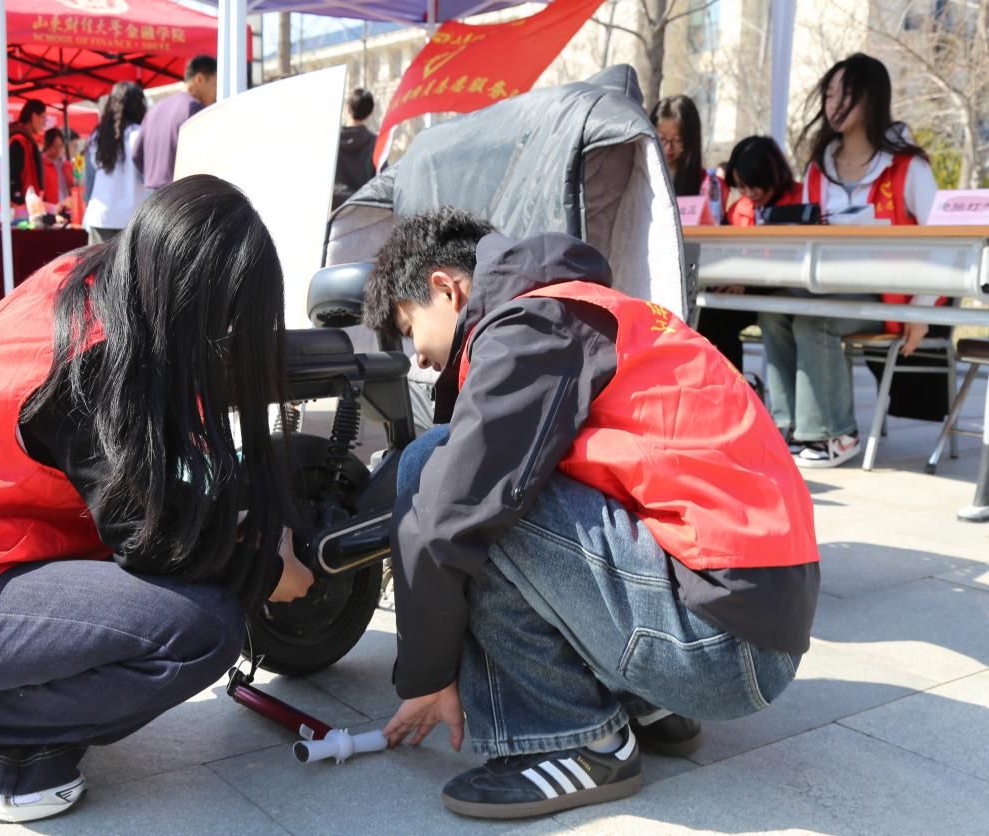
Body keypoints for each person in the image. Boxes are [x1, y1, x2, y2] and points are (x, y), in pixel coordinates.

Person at [0, 174, 313, 824]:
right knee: (200, 629)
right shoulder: (95, 361)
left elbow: (145, 490)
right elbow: (147, 539)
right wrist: (265, 571)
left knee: (186, 598)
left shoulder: (90, 279)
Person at [364, 209, 817, 820]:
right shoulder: (586, 312)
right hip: (745, 627)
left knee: (436, 469)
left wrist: (427, 676)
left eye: (408, 326)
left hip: (719, 646)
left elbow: (449, 519)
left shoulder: (532, 326)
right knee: (488, 474)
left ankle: (576, 739)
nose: (418, 358)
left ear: (447, 288)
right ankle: (647, 704)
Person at [759, 53, 939, 467]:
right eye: (829, 94)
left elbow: (940, 240)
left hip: (888, 297)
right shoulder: (818, 169)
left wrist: (922, 310)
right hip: (826, 287)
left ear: (873, 98)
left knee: (814, 319)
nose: (834, 104)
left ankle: (835, 435)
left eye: (847, 94)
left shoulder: (908, 167)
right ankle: (787, 427)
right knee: (774, 311)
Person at [697, 136, 803, 372]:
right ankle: (731, 384)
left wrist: (746, 282)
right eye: (741, 187)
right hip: (743, 289)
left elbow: (793, 260)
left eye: (754, 185)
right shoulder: (739, 209)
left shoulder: (803, 201)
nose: (748, 193)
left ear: (772, 175)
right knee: (707, 318)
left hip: (784, 288)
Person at [137, 55, 216, 191]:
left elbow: (136, 154)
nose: (216, 93)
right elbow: (205, 158)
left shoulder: (154, 110)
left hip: (152, 194)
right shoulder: (195, 109)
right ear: (200, 79)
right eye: (215, 84)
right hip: (181, 193)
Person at [83, 82, 147, 243]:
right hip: (133, 217)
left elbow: (89, 179)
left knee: (98, 260)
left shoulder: (97, 136)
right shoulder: (140, 135)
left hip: (100, 216)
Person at [650, 95, 725, 223]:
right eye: (661, 139)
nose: (668, 147)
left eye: (677, 140)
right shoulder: (641, 176)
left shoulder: (706, 184)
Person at [332, 88, 377, 209]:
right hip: (361, 210)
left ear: (347, 108)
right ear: (370, 112)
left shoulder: (331, 140)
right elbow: (382, 181)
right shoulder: (376, 143)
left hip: (332, 210)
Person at [8, 100, 47, 207]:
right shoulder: (18, 140)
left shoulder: (27, 140)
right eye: (43, 117)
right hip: (21, 205)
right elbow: (12, 175)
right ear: (34, 116)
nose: (44, 123)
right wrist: (17, 199)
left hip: (29, 202)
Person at [40, 127, 72, 209]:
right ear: (47, 145)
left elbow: (73, 185)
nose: (58, 150)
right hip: (49, 209)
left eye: (60, 146)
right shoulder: (41, 165)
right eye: (54, 146)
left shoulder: (66, 164)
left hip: (66, 208)